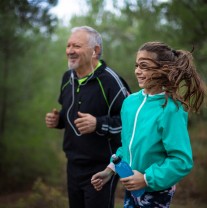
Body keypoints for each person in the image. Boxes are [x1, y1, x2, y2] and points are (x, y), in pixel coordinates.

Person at [91, 41, 206, 208]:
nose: (137, 71)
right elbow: (127, 147)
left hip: (157, 191)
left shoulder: (170, 110)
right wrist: (110, 170)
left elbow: (181, 161)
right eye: (137, 65)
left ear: (163, 69)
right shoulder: (130, 103)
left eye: (144, 66)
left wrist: (145, 179)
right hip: (132, 187)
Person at [45, 26, 130, 208]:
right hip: (73, 164)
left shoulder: (111, 80)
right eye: (68, 46)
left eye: (76, 46)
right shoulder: (67, 77)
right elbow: (69, 113)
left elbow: (130, 124)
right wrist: (58, 120)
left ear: (95, 51)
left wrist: (98, 124)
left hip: (103, 165)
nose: (70, 51)